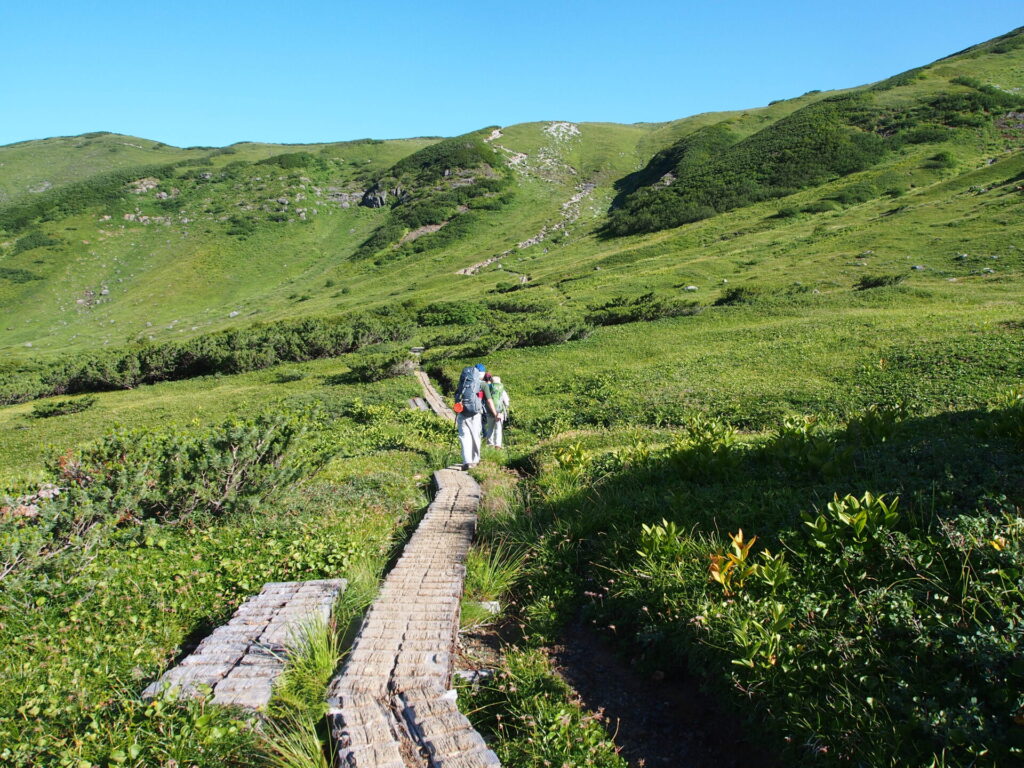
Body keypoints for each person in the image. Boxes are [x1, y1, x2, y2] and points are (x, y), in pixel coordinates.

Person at [455, 363, 486, 468]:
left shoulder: (463, 383)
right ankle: (475, 460)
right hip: (475, 413)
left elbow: (457, 394)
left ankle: (466, 461)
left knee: (464, 436)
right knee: (475, 435)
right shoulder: (481, 384)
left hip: (462, 412)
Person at [482, 373, 510, 448]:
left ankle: (489, 444)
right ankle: (498, 445)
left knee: (490, 428)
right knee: (498, 428)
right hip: (499, 411)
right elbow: (507, 402)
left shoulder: (488, 389)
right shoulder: (502, 390)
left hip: (489, 411)